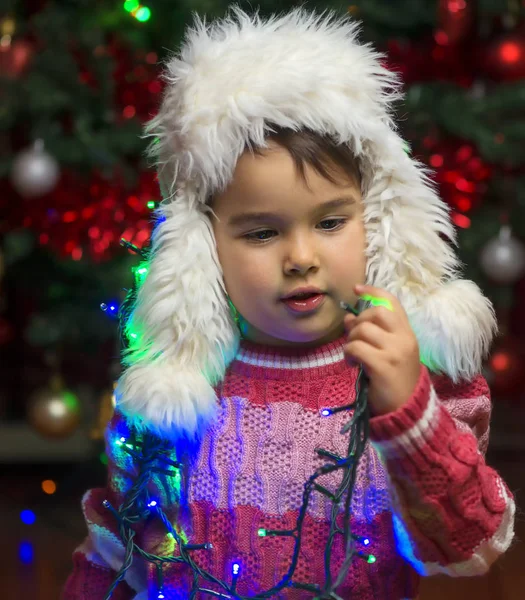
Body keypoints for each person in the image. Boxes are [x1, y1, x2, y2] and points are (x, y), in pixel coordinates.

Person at [62, 5, 516, 600]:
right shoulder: (179, 396)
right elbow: (119, 551)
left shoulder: (411, 375)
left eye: (330, 222)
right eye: (261, 233)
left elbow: (471, 548)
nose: (300, 257)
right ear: (202, 249)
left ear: (378, 222)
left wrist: (408, 410)